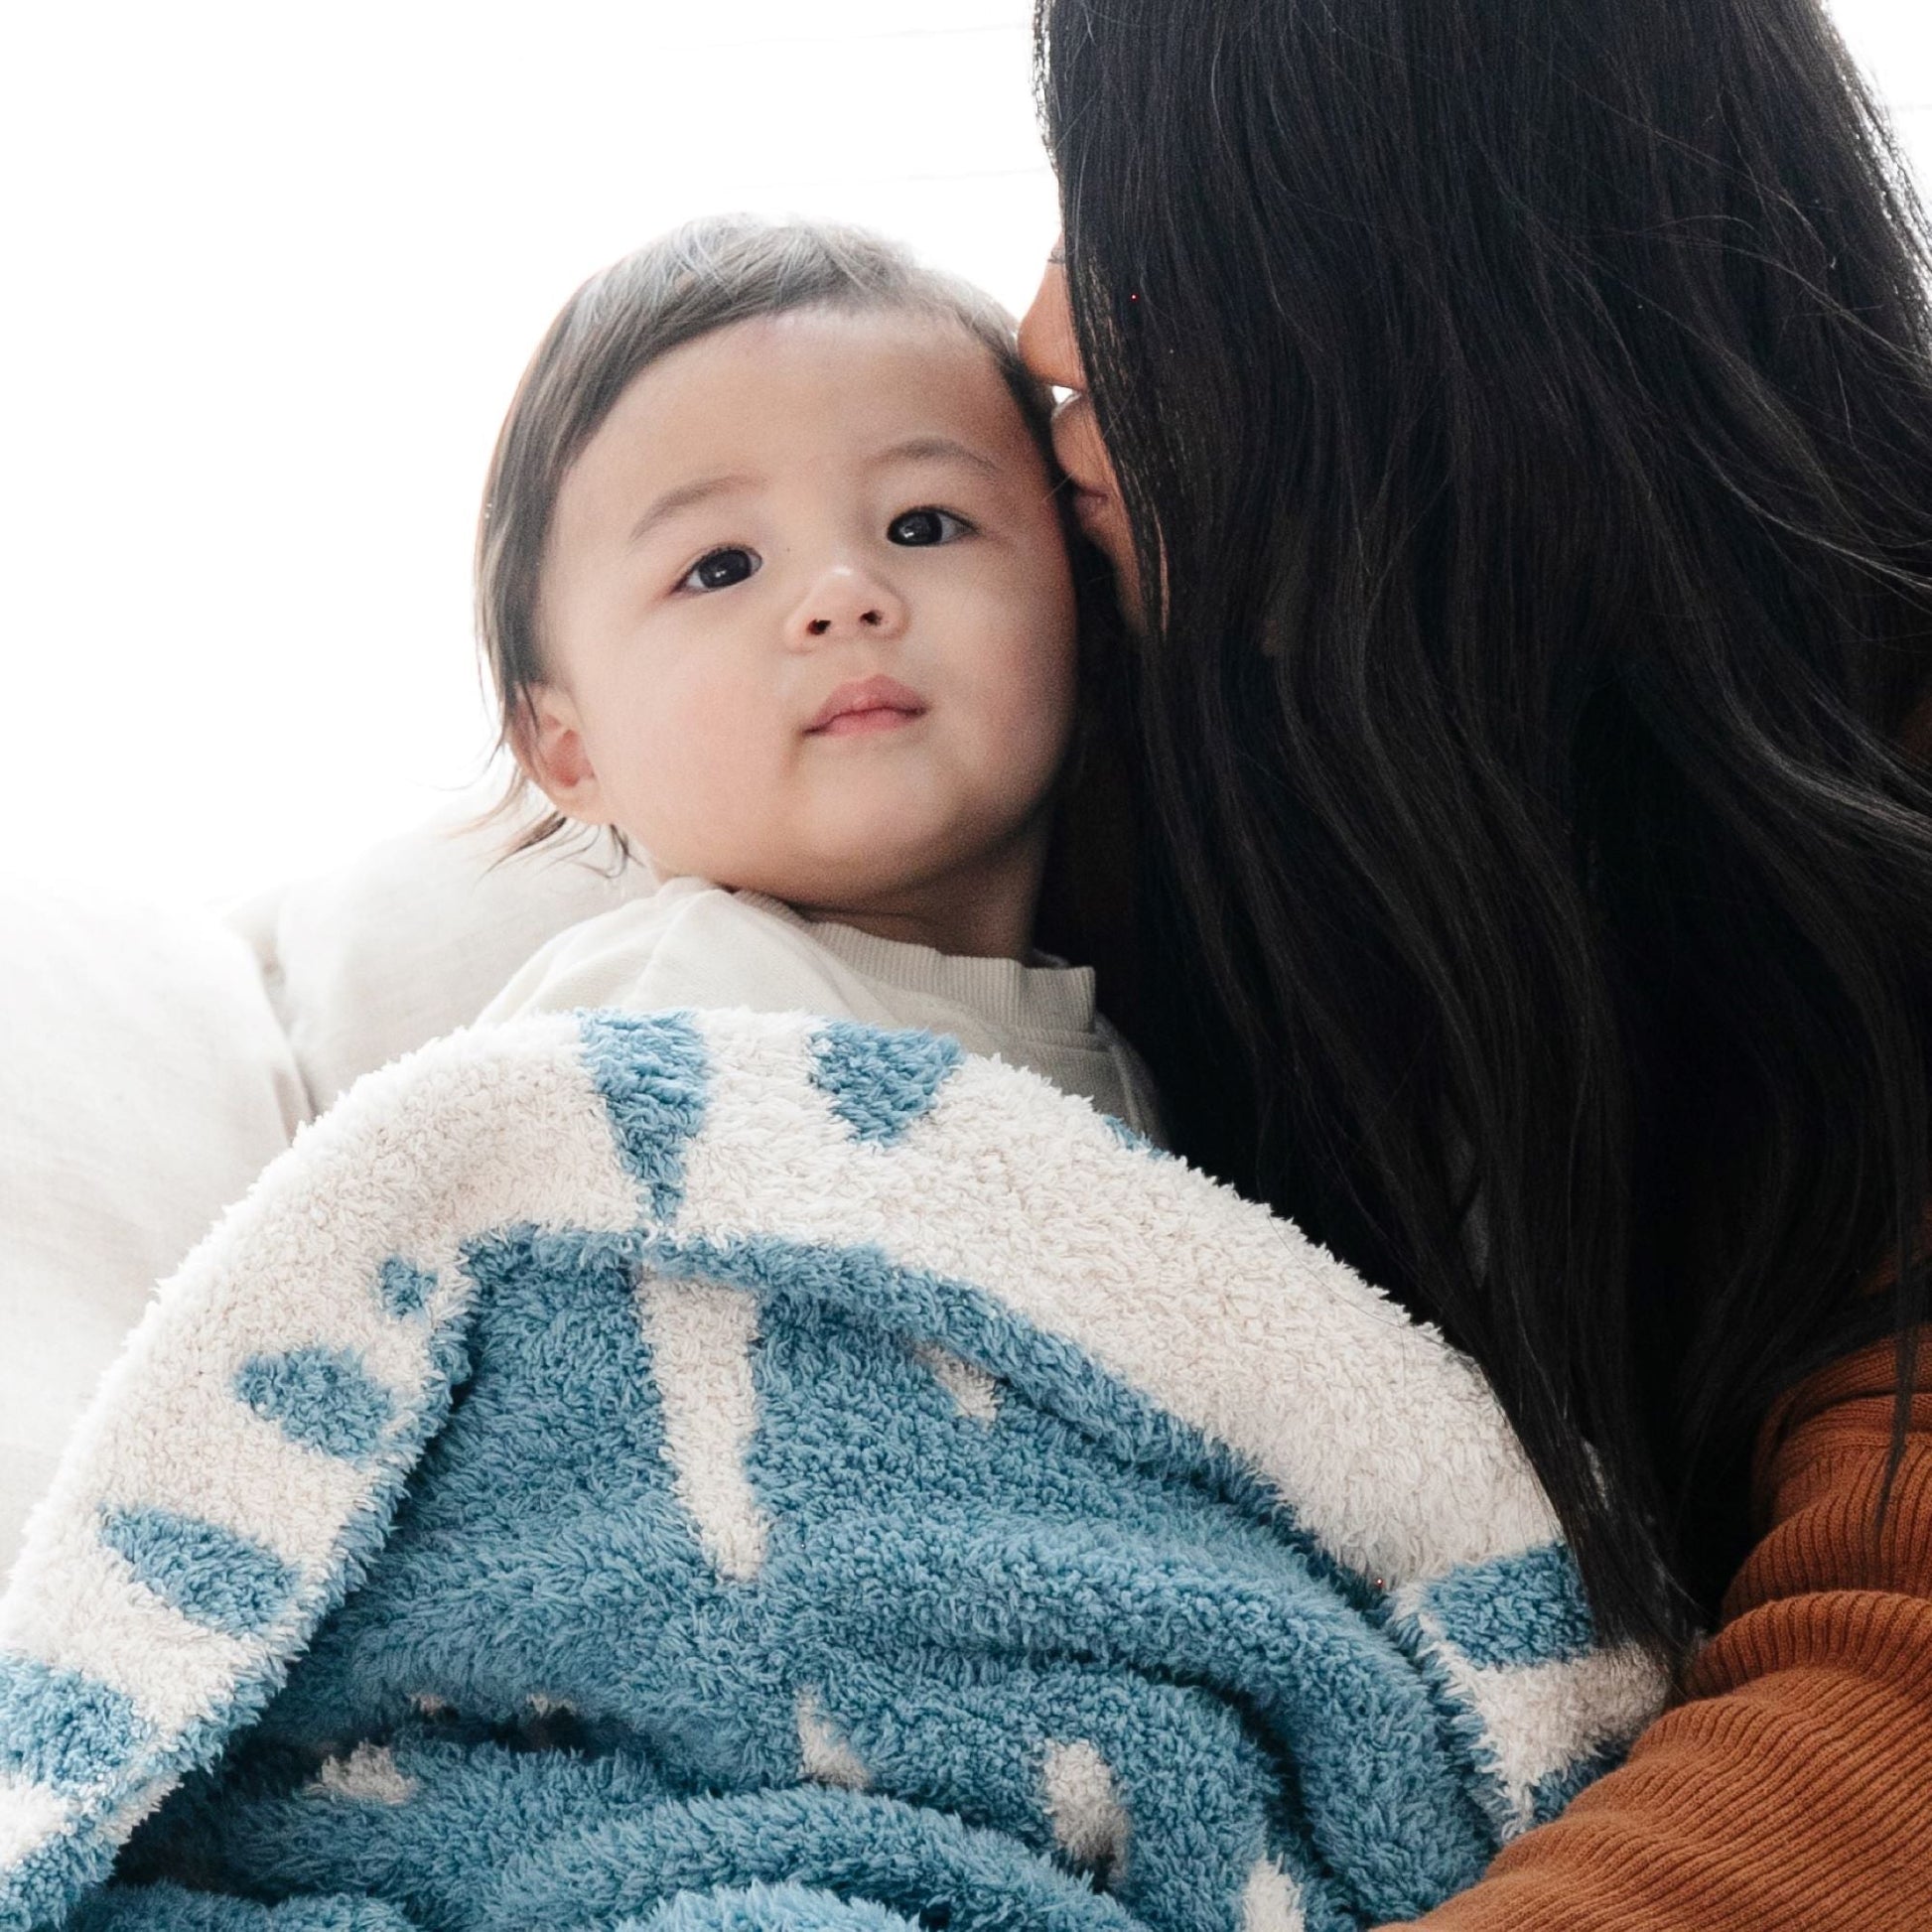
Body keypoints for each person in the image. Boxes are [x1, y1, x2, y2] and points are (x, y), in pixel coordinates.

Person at [1016, 0, 1932, 1921]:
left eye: (1137, 231)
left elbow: (1892, 1679)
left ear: (1414, 297)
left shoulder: (1866, 813)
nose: (1040, 339)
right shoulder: (1251, 725)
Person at [469, 215, 1161, 1146]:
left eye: (922, 525)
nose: (843, 598)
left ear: (1080, 595)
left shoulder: (1118, 1057)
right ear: (569, 749)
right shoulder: (649, 1025)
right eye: (721, 566)